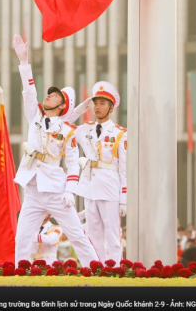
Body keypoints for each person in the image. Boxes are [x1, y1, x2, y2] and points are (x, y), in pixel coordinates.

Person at [11, 34, 99, 266]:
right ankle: (19, 278)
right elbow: (29, 93)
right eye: (49, 93)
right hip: (33, 190)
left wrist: (70, 191)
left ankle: (99, 271)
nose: (48, 95)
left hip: (56, 192)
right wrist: (24, 62)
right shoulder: (35, 117)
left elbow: (72, 164)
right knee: (21, 239)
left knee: (77, 235)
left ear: (62, 106)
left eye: (54, 95)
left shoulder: (68, 131)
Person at [74, 81, 127, 263]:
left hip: (110, 187)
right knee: (93, 234)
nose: (97, 107)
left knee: (113, 235)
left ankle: (115, 270)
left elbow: (124, 169)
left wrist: (124, 198)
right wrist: (78, 111)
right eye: (95, 103)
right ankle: (96, 269)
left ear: (111, 108)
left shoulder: (120, 133)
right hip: (89, 187)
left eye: (102, 103)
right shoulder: (85, 130)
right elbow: (62, 125)